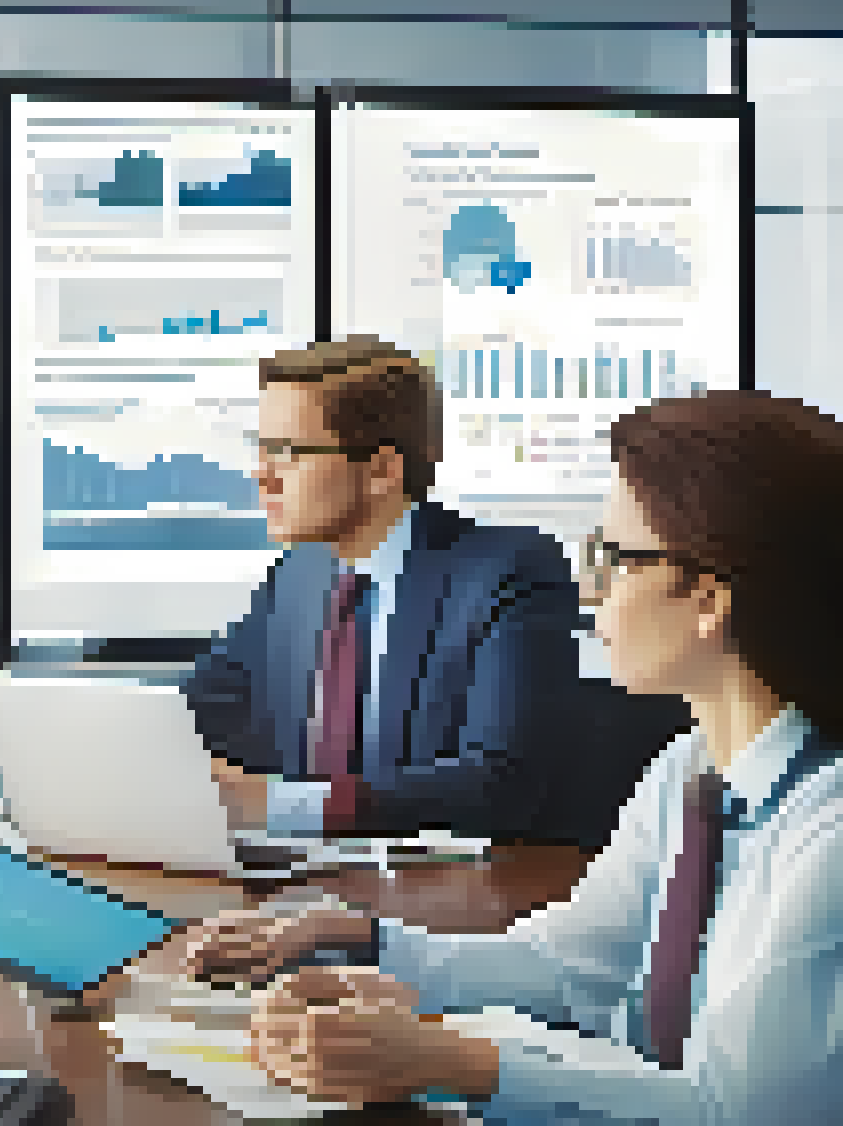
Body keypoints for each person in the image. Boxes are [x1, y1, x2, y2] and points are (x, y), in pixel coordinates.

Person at [173, 390, 843, 1122]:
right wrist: (361, 939)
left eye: (614, 559)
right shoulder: (689, 773)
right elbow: (567, 964)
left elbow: (740, 1113)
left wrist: (451, 1061)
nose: (589, 589)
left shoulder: (826, 831)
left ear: (708, 600)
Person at [184, 335, 579, 838]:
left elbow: (502, 782)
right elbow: (198, 710)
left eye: (288, 453)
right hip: (306, 885)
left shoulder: (506, 573)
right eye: (262, 450)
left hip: (443, 896)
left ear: (381, 471)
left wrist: (279, 805)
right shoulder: (300, 575)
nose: (263, 477)